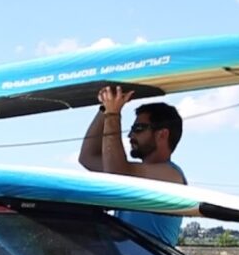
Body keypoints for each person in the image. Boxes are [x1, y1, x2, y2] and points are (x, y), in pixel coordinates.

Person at [79, 85, 186, 245]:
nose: (130, 135)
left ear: (162, 134)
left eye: (138, 129)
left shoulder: (171, 175)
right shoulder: (132, 172)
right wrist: (105, 108)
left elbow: (115, 173)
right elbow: (88, 157)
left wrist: (113, 114)